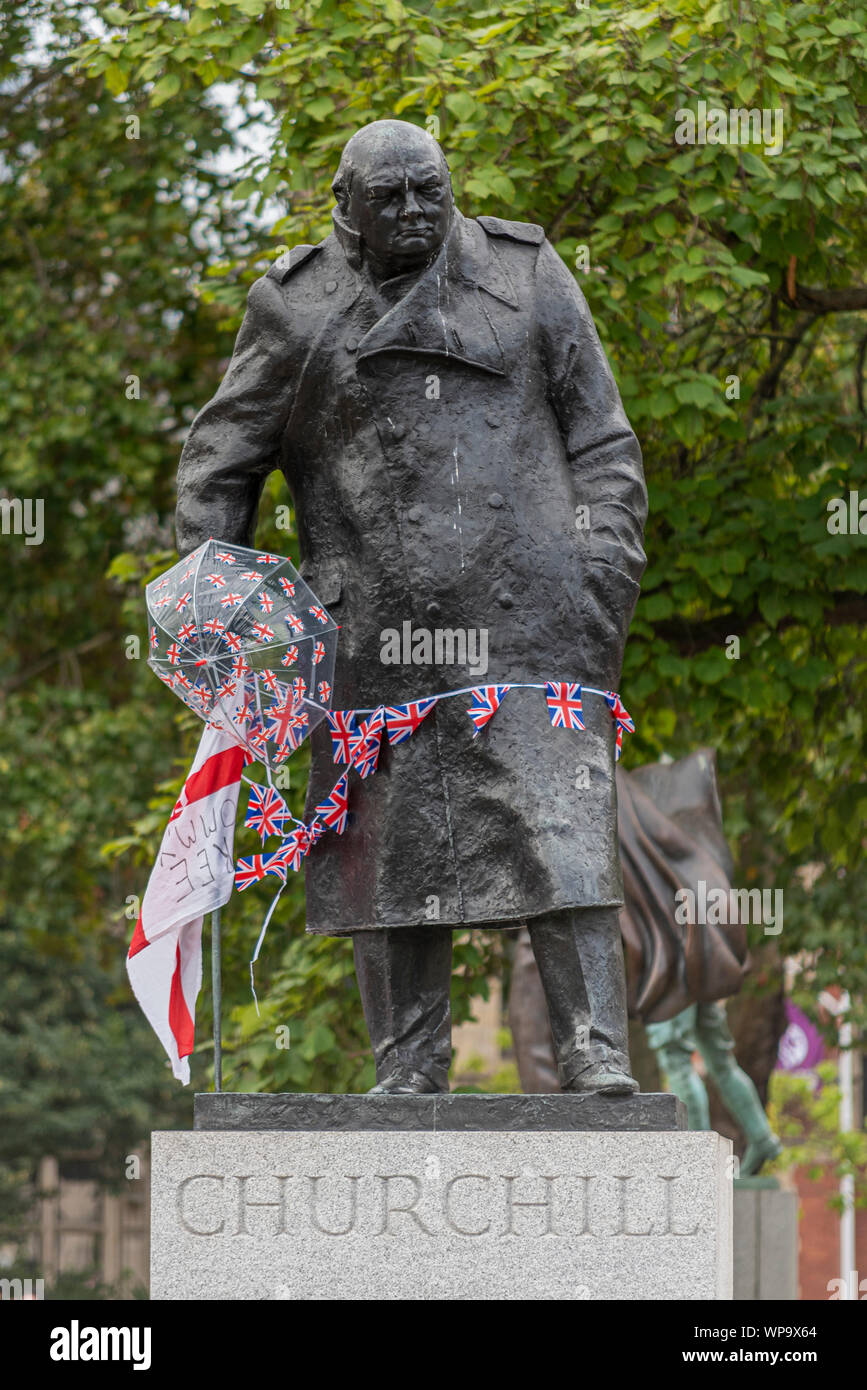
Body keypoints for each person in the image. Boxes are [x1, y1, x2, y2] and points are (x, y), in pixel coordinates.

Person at [175, 120, 647, 1096]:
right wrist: (230, 617)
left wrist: (600, 576)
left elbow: (602, 438)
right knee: (390, 851)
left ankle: (596, 1046)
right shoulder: (296, 309)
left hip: (533, 619)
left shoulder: (527, 274)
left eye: (429, 190)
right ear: (343, 204)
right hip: (370, 633)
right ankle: (408, 1062)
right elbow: (218, 472)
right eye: (389, 198)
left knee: (560, 832)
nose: (415, 211)